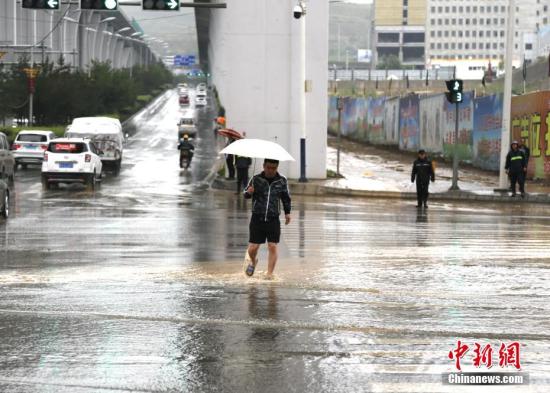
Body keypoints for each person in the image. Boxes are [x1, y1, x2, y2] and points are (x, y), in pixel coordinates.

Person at [243, 159, 291, 279]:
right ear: (264, 166)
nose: (271, 170)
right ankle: (253, 261)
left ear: (277, 168)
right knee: (253, 248)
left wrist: (287, 213)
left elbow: (286, 198)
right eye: (268, 167)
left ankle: (269, 273)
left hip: (273, 218)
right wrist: (249, 192)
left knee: (272, 246)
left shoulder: (282, 180)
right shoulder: (255, 178)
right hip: (257, 218)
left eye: (273, 168)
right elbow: (245, 194)